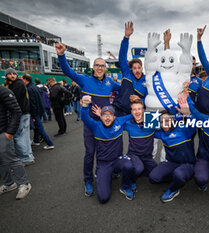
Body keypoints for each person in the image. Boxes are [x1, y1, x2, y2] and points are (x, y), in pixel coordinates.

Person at [55, 42, 120, 196]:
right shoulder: (85, 80)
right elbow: (67, 71)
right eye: (97, 65)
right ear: (93, 67)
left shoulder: (110, 82)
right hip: (91, 125)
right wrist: (61, 55)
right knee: (90, 153)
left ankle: (107, 171)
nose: (99, 68)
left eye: (102, 66)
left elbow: (124, 90)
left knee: (107, 152)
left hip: (106, 125)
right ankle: (88, 180)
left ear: (105, 68)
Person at [81, 95, 135, 203]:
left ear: (114, 117)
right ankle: (103, 173)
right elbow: (85, 117)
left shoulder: (119, 122)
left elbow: (134, 114)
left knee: (129, 165)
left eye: (110, 115)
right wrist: (85, 104)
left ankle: (125, 186)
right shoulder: (95, 126)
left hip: (117, 159)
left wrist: (139, 103)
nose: (107, 117)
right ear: (100, 117)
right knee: (103, 198)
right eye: (104, 115)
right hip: (104, 163)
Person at [149, 110, 196, 203]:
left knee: (179, 174)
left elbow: (193, 123)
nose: (164, 124)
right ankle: (177, 178)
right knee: (153, 177)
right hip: (172, 163)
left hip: (187, 164)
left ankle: (173, 189)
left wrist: (187, 113)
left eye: (167, 120)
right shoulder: (160, 133)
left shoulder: (183, 129)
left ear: (173, 119)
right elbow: (145, 128)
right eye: (161, 122)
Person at [0, 85, 32, 199]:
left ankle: (24, 184)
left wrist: (9, 132)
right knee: (1, 161)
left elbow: (16, 111)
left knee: (11, 159)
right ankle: (9, 184)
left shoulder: (3, 90)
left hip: (3, 132)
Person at [113, 22, 147, 116]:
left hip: (135, 115)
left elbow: (150, 98)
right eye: (135, 68)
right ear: (131, 69)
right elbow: (122, 57)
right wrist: (126, 38)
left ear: (142, 68)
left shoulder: (147, 81)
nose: (137, 70)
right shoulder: (127, 73)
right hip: (118, 111)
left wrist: (140, 100)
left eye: (139, 68)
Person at [5, 68, 35, 166]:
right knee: (24, 137)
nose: (12, 75)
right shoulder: (18, 84)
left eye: (14, 74)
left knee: (18, 137)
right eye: (10, 74)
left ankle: (25, 158)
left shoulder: (17, 84)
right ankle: (29, 156)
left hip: (20, 114)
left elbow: (12, 99)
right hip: (24, 113)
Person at [22, 74, 54, 150]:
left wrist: (33, 116)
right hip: (39, 110)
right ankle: (36, 141)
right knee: (37, 128)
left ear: (26, 80)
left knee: (40, 128)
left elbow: (32, 103)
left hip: (36, 112)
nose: (21, 80)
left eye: (22, 79)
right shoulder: (34, 87)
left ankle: (50, 143)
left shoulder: (29, 89)